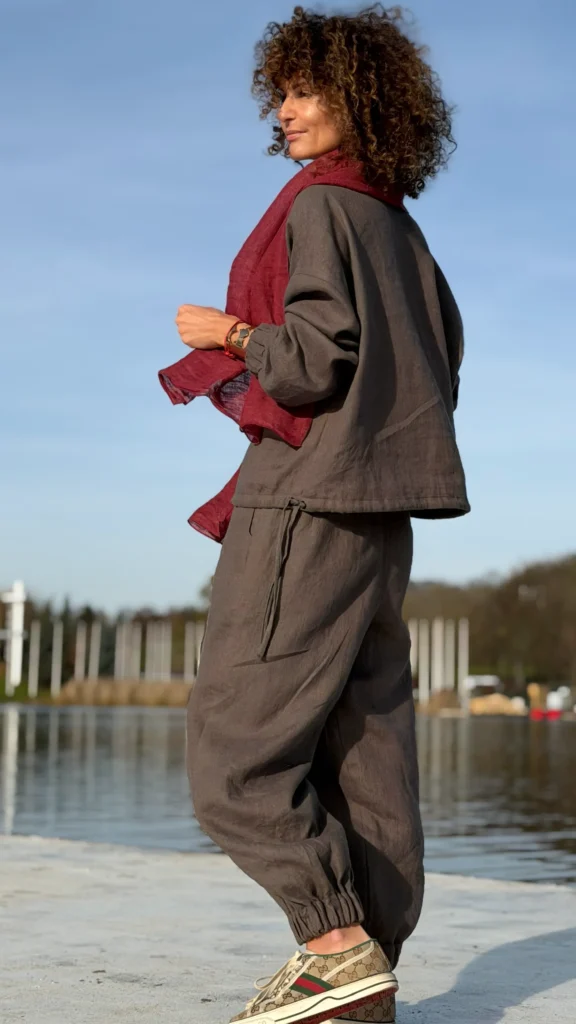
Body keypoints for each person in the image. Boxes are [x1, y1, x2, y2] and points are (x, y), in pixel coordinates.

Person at [165, 6, 469, 1023]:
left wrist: (235, 333)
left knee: (234, 746)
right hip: (386, 513)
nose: (286, 113)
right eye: (281, 95)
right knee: (364, 742)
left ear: (361, 100)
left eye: (306, 92)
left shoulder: (320, 212)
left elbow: (314, 361)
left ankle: (332, 944)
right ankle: (361, 982)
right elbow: (435, 367)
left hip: (305, 497)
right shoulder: (402, 229)